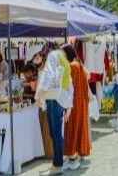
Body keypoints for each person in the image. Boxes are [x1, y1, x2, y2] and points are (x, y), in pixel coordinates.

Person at [35, 41, 74, 176]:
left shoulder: (53, 55)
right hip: (61, 99)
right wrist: (69, 104)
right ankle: (56, 164)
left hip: (53, 98)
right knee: (57, 132)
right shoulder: (63, 58)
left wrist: (39, 93)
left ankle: (57, 165)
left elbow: (48, 75)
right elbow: (69, 83)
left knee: (55, 133)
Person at [62, 44, 91, 171]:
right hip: (81, 102)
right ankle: (76, 156)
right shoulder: (78, 64)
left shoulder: (72, 66)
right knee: (78, 128)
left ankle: (72, 158)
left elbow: (68, 86)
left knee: (72, 129)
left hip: (73, 103)